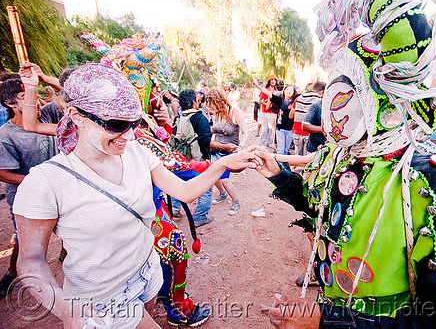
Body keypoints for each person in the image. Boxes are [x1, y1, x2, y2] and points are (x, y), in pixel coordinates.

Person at [255, 0, 436, 327]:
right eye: (334, 87)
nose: (333, 107)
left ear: (388, 98)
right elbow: (324, 211)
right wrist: (282, 178)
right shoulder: (339, 158)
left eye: (348, 89)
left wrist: (327, 322)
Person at [13, 63, 260, 328]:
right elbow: (31, 261)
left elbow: (185, 191)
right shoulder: (45, 182)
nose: (129, 134)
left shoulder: (136, 152)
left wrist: (223, 164)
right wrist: (68, 311)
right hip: (102, 299)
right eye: (117, 124)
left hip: (148, 272)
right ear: (76, 116)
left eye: (133, 123)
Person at [0, 78, 58, 298]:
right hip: (27, 198)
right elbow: (3, 173)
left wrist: (40, 79)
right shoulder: (6, 136)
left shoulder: (47, 116)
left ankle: (65, 252)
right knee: (27, 242)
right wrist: (39, 180)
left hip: (55, 192)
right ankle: (12, 272)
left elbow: (68, 94)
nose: (34, 101)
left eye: (34, 94)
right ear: (10, 103)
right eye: (25, 97)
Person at [170, 89, 216, 227]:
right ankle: (200, 217)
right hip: (197, 161)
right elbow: (206, 142)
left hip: (180, 160)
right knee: (206, 187)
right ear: (194, 102)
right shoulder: (198, 117)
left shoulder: (179, 117)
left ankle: (174, 209)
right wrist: (225, 147)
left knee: (178, 184)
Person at [207, 87, 249, 215]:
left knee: (224, 179)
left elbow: (246, 132)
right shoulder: (217, 114)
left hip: (230, 152)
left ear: (218, 100)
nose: (210, 106)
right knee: (213, 176)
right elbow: (214, 130)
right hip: (216, 150)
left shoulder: (234, 112)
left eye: (212, 102)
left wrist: (240, 148)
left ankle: (235, 201)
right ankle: (222, 193)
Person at [254, 81, 298, 155]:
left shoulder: (295, 101)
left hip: (291, 130)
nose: (289, 91)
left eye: (291, 90)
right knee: (280, 150)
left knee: (286, 150)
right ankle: (278, 165)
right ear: (284, 90)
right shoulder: (280, 100)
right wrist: (257, 86)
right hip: (280, 129)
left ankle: (283, 165)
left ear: (293, 93)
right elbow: (267, 93)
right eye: (287, 89)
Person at [292, 82, 325, 155]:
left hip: (297, 131)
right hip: (310, 137)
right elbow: (305, 125)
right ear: (322, 92)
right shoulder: (317, 101)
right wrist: (325, 129)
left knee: (298, 159)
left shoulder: (299, 98)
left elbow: (291, 114)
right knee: (305, 160)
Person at [258, 74, 277, 147]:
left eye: (274, 80)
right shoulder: (265, 90)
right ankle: (261, 143)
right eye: (271, 80)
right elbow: (259, 101)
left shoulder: (276, 90)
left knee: (271, 129)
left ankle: (269, 142)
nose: (273, 81)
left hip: (272, 112)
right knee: (265, 128)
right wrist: (266, 104)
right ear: (269, 81)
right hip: (265, 111)